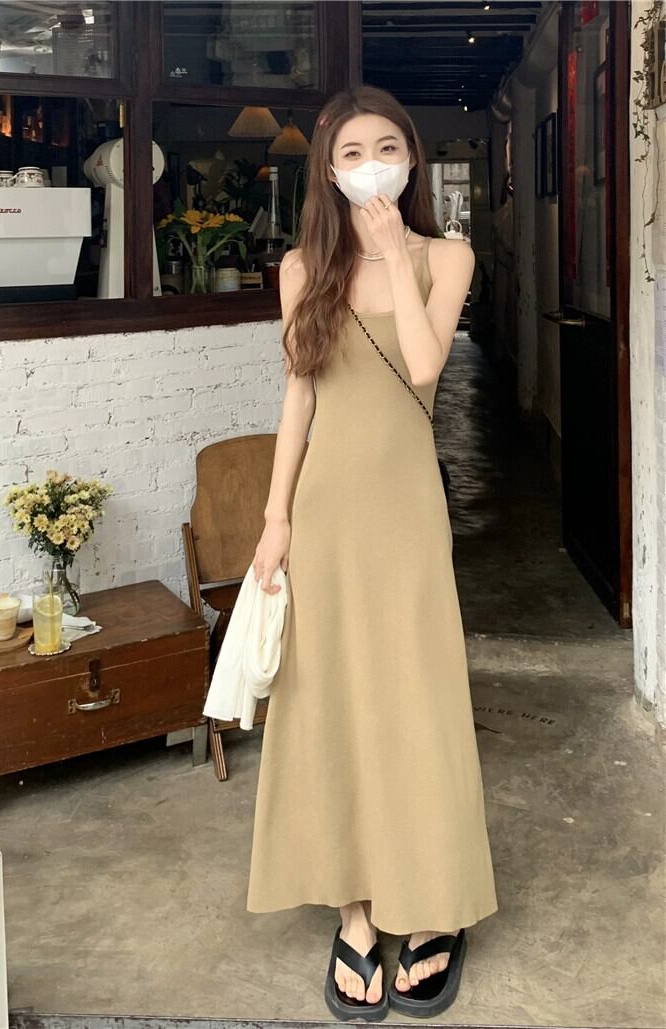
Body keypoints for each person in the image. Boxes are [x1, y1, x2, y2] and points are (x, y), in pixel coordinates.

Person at [245, 85, 498, 1021]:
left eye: (387, 147)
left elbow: (426, 368)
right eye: (351, 153)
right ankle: (352, 905)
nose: (371, 165)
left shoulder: (447, 256)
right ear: (327, 171)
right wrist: (275, 519)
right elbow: (299, 398)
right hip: (326, 510)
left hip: (406, 510)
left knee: (418, 697)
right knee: (330, 699)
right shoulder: (300, 268)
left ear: (412, 159)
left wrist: (394, 252)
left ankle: (433, 900)